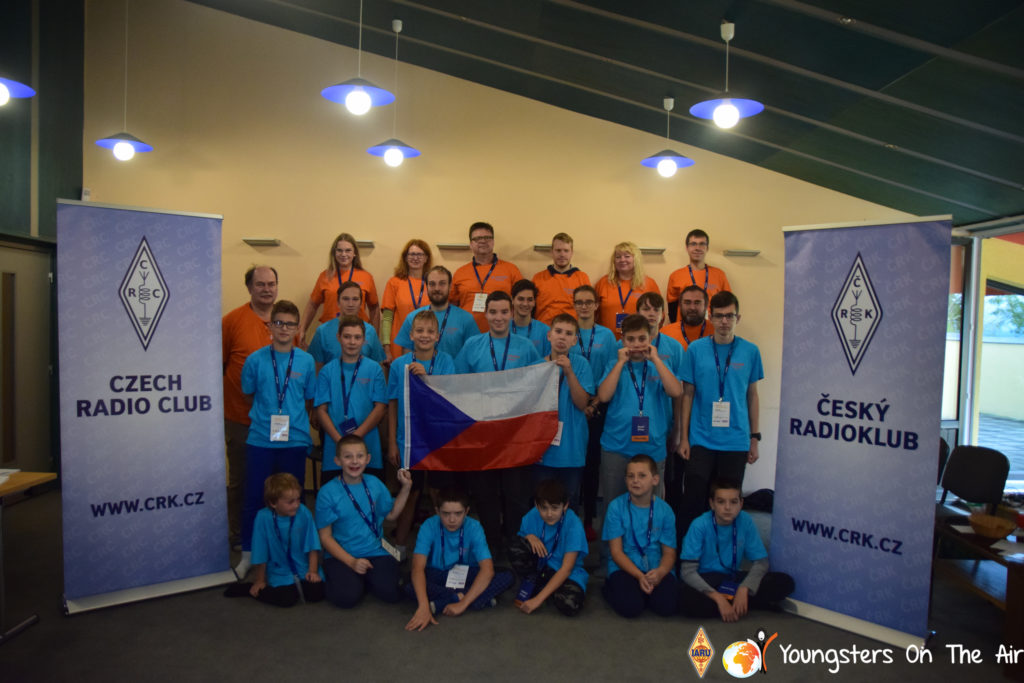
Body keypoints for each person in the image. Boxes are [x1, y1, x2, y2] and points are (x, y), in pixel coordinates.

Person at [454, 290, 542, 552]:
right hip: (482, 436)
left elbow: (538, 383)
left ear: (512, 314)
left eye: (504, 312)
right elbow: (458, 384)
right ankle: (490, 548)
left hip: (515, 437)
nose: (499, 317)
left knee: (516, 496)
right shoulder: (472, 345)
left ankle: (515, 547)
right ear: (486, 314)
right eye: (493, 312)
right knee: (485, 495)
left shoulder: (526, 347)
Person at [236, 300, 318, 578]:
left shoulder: (306, 361)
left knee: (294, 499)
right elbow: (248, 394)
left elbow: (308, 399)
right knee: (255, 497)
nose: (284, 328)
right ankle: (249, 554)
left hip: (294, 440)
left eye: (290, 324)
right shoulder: (255, 360)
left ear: (297, 328)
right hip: (261, 439)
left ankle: (293, 553)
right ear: (270, 326)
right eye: (279, 323)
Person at [677, 291, 763, 537]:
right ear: (710, 317)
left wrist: (754, 438)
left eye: (730, 316)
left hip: (735, 440)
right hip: (701, 439)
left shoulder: (750, 351)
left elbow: (752, 396)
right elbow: (687, 395)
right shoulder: (695, 349)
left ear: (738, 318)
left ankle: (724, 549)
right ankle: (688, 551)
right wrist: (684, 438)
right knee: (693, 499)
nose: (724, 321)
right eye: (719, 316)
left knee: (727, 503)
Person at [317, 434, 413, 608]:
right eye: (348, 457)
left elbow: (391, 515)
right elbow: (325, 537)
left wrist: (406, 488)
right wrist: (352, 562)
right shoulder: (327, 493)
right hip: (343, 554)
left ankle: (365, 578)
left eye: (359, 456)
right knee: (346, 598)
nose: (355, 461)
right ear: (337, 461)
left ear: (368, 459)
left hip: (375, 550)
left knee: (393, 593)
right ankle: (348, 577)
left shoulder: (374, 484)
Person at [596, 314, 682, 509]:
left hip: (652, 446)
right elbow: (604, 396)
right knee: (614, 505)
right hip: (617, 446)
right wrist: (620, 363)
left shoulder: (659, 365)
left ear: (650, 338)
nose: (636, 344)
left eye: (642, 338)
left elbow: (676, 391)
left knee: (652, 507)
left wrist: (656, 360)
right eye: (631, 339)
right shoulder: (614, 365)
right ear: (622, 340)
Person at [387, 310, 457, 548]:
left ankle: (445, 546)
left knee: (439, 494)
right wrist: (392, 442)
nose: (424, 335)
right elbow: (392, 404)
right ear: (411, 335)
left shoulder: (446, 362)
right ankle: (399, 546)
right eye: (419, 331)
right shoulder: (399, 365)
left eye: (429, 331)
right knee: (410, 493)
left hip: (439, 441)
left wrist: (427, 379)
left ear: (437, 336)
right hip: (409, 442)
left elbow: (449, 401)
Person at [677, 479, 794, 621]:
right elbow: (687, 572)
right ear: (712, 504)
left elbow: (761, 562)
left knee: (784, 582)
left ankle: (737, 602)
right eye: (721, 502)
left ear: (741, 503)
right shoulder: (699, 525)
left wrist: (744, 588)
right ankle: (743, 604)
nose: (727, 507)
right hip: (706, 580)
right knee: (687, 599)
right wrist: (718, 598)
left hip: (732, 578)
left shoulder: (745, 521)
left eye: (733, 502)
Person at [404, 488, 514, 630]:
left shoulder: (474, 527)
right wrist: (424, 607)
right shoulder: (428, 526)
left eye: (458, 513)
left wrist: (462, 604)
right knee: (409, 583)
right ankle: (478, 599)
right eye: (446, 514)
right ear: (437, 511)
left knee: (508, 576)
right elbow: (417, 568)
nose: (452, 519)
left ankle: (445, 601)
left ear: (466, 511)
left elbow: (487, 570)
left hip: (466, 573)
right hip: (437, 573)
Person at [222, 265, 277, 547]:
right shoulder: (232, 321)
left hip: (278, 421)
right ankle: (238, 537)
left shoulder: (284, 320)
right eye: (260, 284)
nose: (267, 289)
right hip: (241, 418)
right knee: (242, 480)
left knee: (275, 478)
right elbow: (218, 365)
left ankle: (272, 532)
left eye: (271, 284)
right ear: (249, 288)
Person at [223, 473, 325, 607]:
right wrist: (260, 580)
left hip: (303, 567)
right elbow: (260, 551)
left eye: (298, 499)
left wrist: (313, 571)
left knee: (317, 593)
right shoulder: (263, 518)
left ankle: (298, 585)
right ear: (273, 503)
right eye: (290, 502)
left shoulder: (304, 512)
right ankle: (248, 589)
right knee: (286, 600)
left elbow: (312, 545)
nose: (296, 505)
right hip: (280, 570)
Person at [569, 284, 618, 539]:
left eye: (589, 302)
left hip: (598, 407)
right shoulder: (568, 332)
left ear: (597, 305)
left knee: (591, 464)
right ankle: (569, 518)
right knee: (572, 464)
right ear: (574, 305)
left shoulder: (607, 336)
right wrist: (582, 404)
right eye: (579, 302)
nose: (584, 306)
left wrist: (595, 403)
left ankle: (589, 518)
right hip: (572, 406)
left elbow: (610, 370)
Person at [601, 455, 677, 618]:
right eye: (631, 476)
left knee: (667, 607)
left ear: (655, 480)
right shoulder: (616, 507)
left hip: (656, 567)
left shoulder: (665, 511)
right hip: (626, 567)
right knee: (631, 608)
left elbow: (669, 553)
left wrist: (661, 572)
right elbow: (616, 552)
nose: (635, 480)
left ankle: (642, 592)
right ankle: (612, 587)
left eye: (642, 476)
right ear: (625, 480)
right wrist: (639, 576)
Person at [315, 315, 388, 483]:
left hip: (367, 444)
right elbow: (321, 410)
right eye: (347, 336)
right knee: (334, 494)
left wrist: (357, 435)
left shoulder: (374, 369)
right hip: (335, 445)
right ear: (338, 337)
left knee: (370, 494)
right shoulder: (327, 371)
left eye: (357, 337)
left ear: (364, 340)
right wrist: (340, 440)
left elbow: (380, 407)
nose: (352, 342)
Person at [533, 314, 594, 513]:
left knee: (570, 504)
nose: (562, 337)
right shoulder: (537, 366)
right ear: (549, 335)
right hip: (543, 451)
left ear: (574, 340)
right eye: (558, 331)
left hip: (571, 450)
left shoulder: (581, 365)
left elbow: (582, 403)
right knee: (543, 503)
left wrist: (569, 372)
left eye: (568, 334)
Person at [508, 479, 589, 616]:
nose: (549, 514)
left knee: (570, 605)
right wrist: (529, 537)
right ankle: (537, 583)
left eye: (555, 508)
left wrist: (538, 600)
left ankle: (544, 590)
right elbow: (519, 542)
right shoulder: (532, 515)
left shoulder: (573, 524)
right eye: (544, 508)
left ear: (565, 505)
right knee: (515, 546)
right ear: (536, 505)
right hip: (541, 566)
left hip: (565, 571)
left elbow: (566, 568)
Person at [300, 232, 380, 343]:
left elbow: (374, 308)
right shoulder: (325, 276)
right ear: (334, 253)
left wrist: (375, 336)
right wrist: (302, 330)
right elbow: (312, 304)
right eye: (339, 250)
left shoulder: (366, 277)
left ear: (354, 253)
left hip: (357, 334)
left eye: (348, 250)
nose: (343, 254)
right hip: (330, 333)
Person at [393, 265, 480, 359]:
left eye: (442, 283)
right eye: (432, 284)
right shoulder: (412, 318)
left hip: (454, 369)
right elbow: (407, 357)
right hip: (421, 369)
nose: (437, 288)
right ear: (426, 286)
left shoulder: (466, 319)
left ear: (450, 286)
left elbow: (473, 354)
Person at [450, 222, 523, 332]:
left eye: (487, 237)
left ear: (493, 241)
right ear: (471, 244)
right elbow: (452, 305)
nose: (483, 241)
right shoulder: (460, 273)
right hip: (466, 333)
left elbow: (521, 302)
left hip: (502, 333)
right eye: (477, 238)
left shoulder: (511, 269)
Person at [307, 281, 386, 367]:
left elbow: (377, 367)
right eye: (345, 299)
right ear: (338, 302)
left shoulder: (370, 331)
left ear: (361, 303)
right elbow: (317, 369)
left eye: (355, 299)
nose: (350, 304)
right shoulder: (322, 331)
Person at [594, 242, 660, 338]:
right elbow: (593, 314)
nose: (622, 260)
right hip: (606, 340)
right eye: (618, 257)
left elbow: (659, 315)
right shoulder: (603, 283)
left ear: (635, 259)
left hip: (638, 341)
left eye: (627, 256)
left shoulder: (649, 283)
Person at [381, 239, 433, 361]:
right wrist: (386, 348)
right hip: (399, 344)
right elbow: (387, 319)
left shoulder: (432, 283)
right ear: (405, 257)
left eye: (420, 254)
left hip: (426, 342)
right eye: (412, 254)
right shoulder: (394, 282)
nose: (415, 258)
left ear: (426, 258)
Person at [666, 229, 731, 323]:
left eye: (702, 244)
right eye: (693, 244)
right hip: (684, 328)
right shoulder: (675, 276)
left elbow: (727, 306)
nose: (697, 248)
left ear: (707, 248)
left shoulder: (719, 275)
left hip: (711, 328)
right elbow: (672, 309)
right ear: (687, 248)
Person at [532, 232, 591, 325]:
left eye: (566, 251)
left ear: (571, 253)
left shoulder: (582, 278)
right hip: (544, 330)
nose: (562, 254)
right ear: (552, 252)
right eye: (558, 250)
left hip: (572, 330)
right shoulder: (538, 278)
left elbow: (588, 311)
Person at [661, 284, 713, 351]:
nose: (692, 307)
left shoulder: (716, 331)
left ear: (706, 305)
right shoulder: (665, 333)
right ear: (680, 305)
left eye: (697, 303)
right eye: (687, 302)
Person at [510, 279, 551, 358]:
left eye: (530, 300)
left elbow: (550, 362)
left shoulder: (545, 331)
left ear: (534, 302)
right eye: (521, 299)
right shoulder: (503, 329)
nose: (525, 304)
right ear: (512, 300)